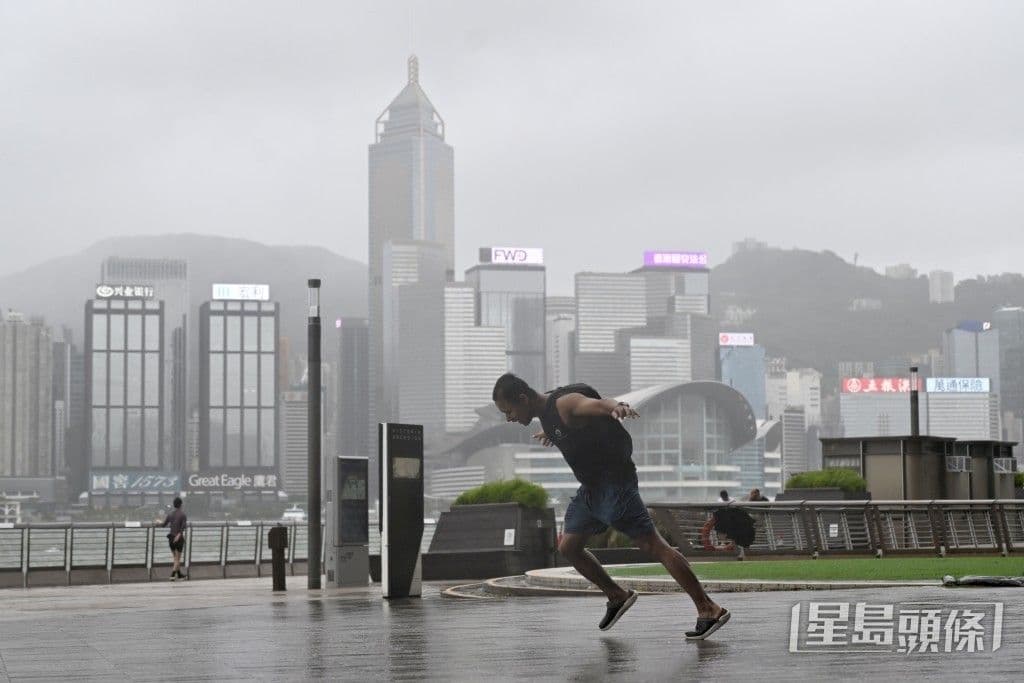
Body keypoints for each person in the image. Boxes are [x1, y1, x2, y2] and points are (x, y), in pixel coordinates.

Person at [492, 373, 730, 641]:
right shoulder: (548, 413)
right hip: (591, 490)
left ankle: (708, 608)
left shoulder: (564, 403)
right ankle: (617, 595)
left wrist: (616, 406)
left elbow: (595, 404)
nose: (509, 417)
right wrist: (552, 433)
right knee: (568, 547)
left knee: (654, 545)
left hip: (615, 486)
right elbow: (575, 427)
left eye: (509, 410)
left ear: (522, 399)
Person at [157, 497, 188, 581]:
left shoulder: (170, 514)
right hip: (178, 539)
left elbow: (163, 525)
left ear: (174, 505)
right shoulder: (183, 515)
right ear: (181, 505)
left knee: (175, 558)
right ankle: (172, 575)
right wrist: (179, 535)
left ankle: (180, 575)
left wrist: (159, 522)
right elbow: (183, 527)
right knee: (177, 559)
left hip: (171, 538)